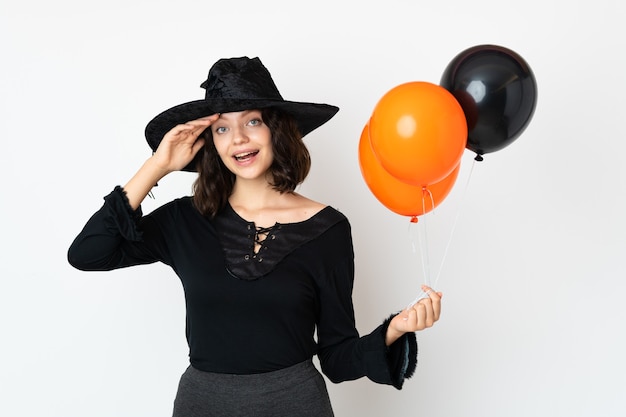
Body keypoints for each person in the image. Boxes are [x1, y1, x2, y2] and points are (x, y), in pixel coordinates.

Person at [67, 56, 442, 417]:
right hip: (202, 405)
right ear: (210, 141)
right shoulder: (185, 219)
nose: (238, 139)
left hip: (297, 404)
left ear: (276, 128)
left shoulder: (329, 229)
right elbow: (88, 253)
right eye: (222, 128)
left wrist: (395, 330)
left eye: (253, 122)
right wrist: (158, 166)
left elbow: (338, 360)